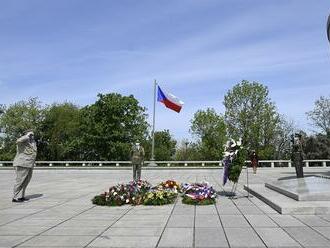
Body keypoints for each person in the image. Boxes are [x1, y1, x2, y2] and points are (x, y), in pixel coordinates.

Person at [12, 130, 37, 202]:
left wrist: (33, 162)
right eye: (31, 134)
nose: (32, 136)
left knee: (26, 181)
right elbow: (18, 141)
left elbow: (33, 153)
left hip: (29, 164)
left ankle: (21, 196)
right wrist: (27, 136)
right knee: (20, 180)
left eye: (33, 134)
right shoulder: (22, 141)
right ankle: (15, 196)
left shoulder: (33, 143)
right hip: (22, 163)